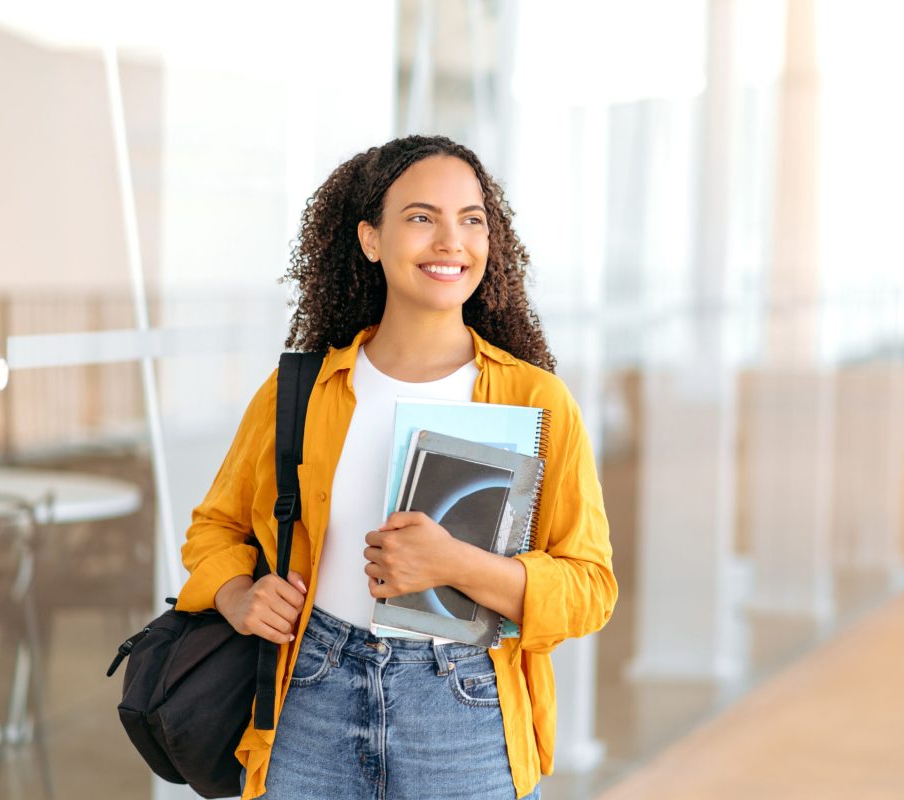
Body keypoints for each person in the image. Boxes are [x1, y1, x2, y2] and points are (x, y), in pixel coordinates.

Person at [174, 135, 617, 800]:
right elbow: (214, 529)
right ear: (371, 239)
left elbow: (590, 587)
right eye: (420, 218)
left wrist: (453, 566)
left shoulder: (535, 401)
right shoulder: (302, 391)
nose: (451, 241)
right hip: (309, 700)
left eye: (471, 220)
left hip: (463, 710)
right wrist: (241, 597)